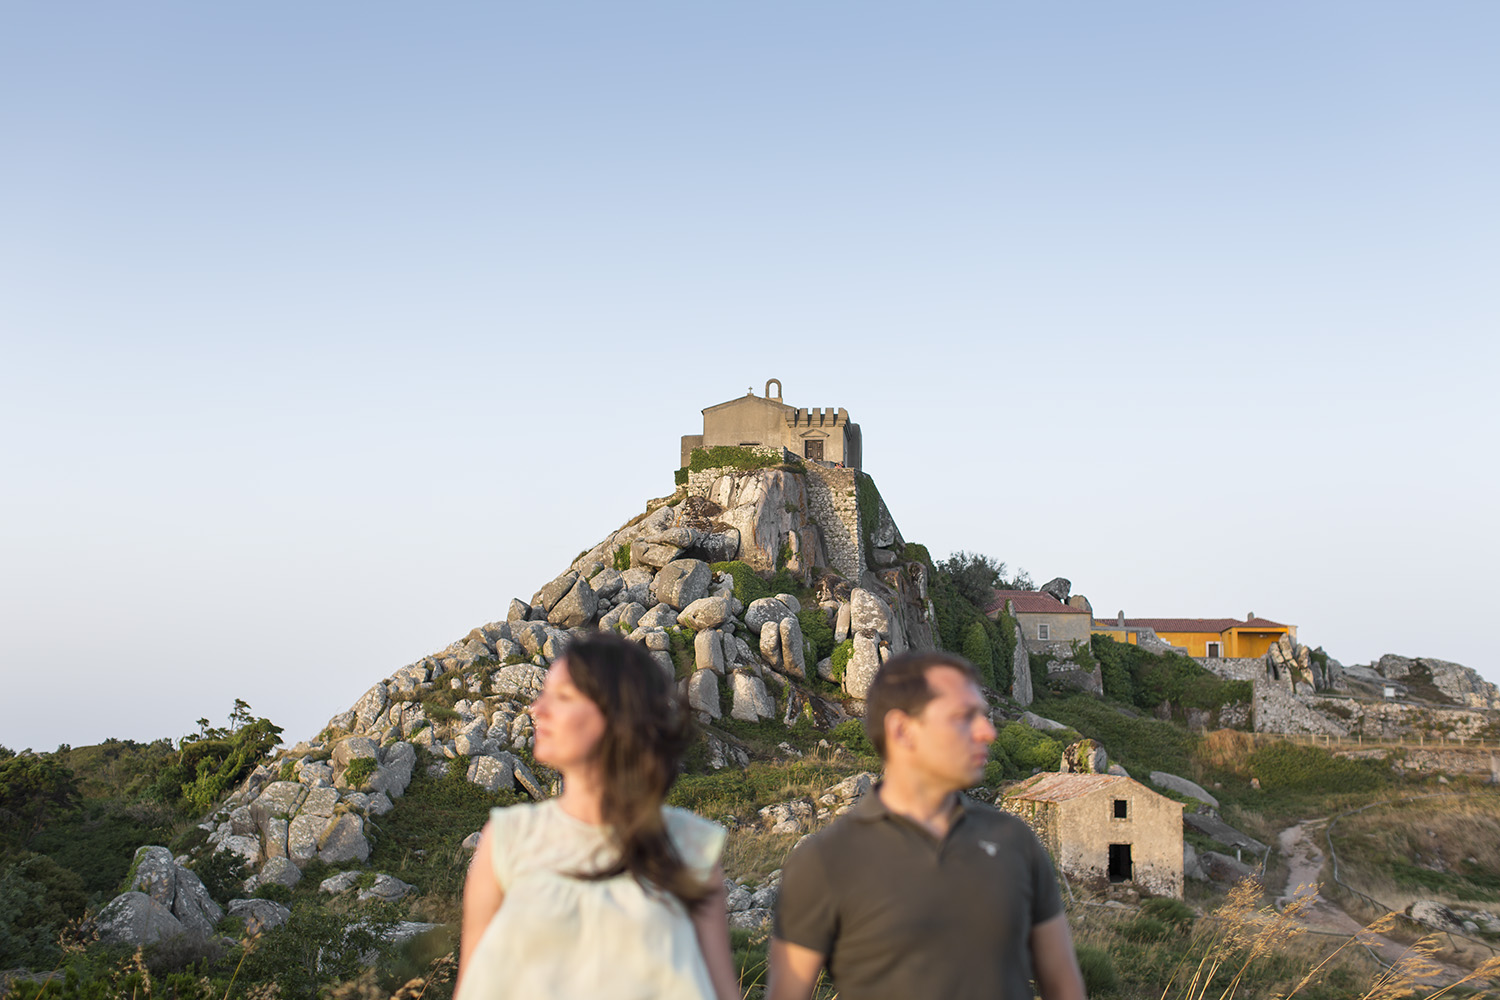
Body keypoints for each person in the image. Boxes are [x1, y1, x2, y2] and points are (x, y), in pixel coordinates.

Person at [768, 651, 1087, 1000]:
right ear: (902, 730)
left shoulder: (1015, 841)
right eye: (964, 717)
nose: (987, 732)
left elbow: (1065, 988)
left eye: (984, 716)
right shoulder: (825, 860)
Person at [455, 631, 739, 1000]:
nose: (537, 709)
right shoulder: (507, 839)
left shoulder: (691, 846)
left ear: (615, 714)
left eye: (563, 697)